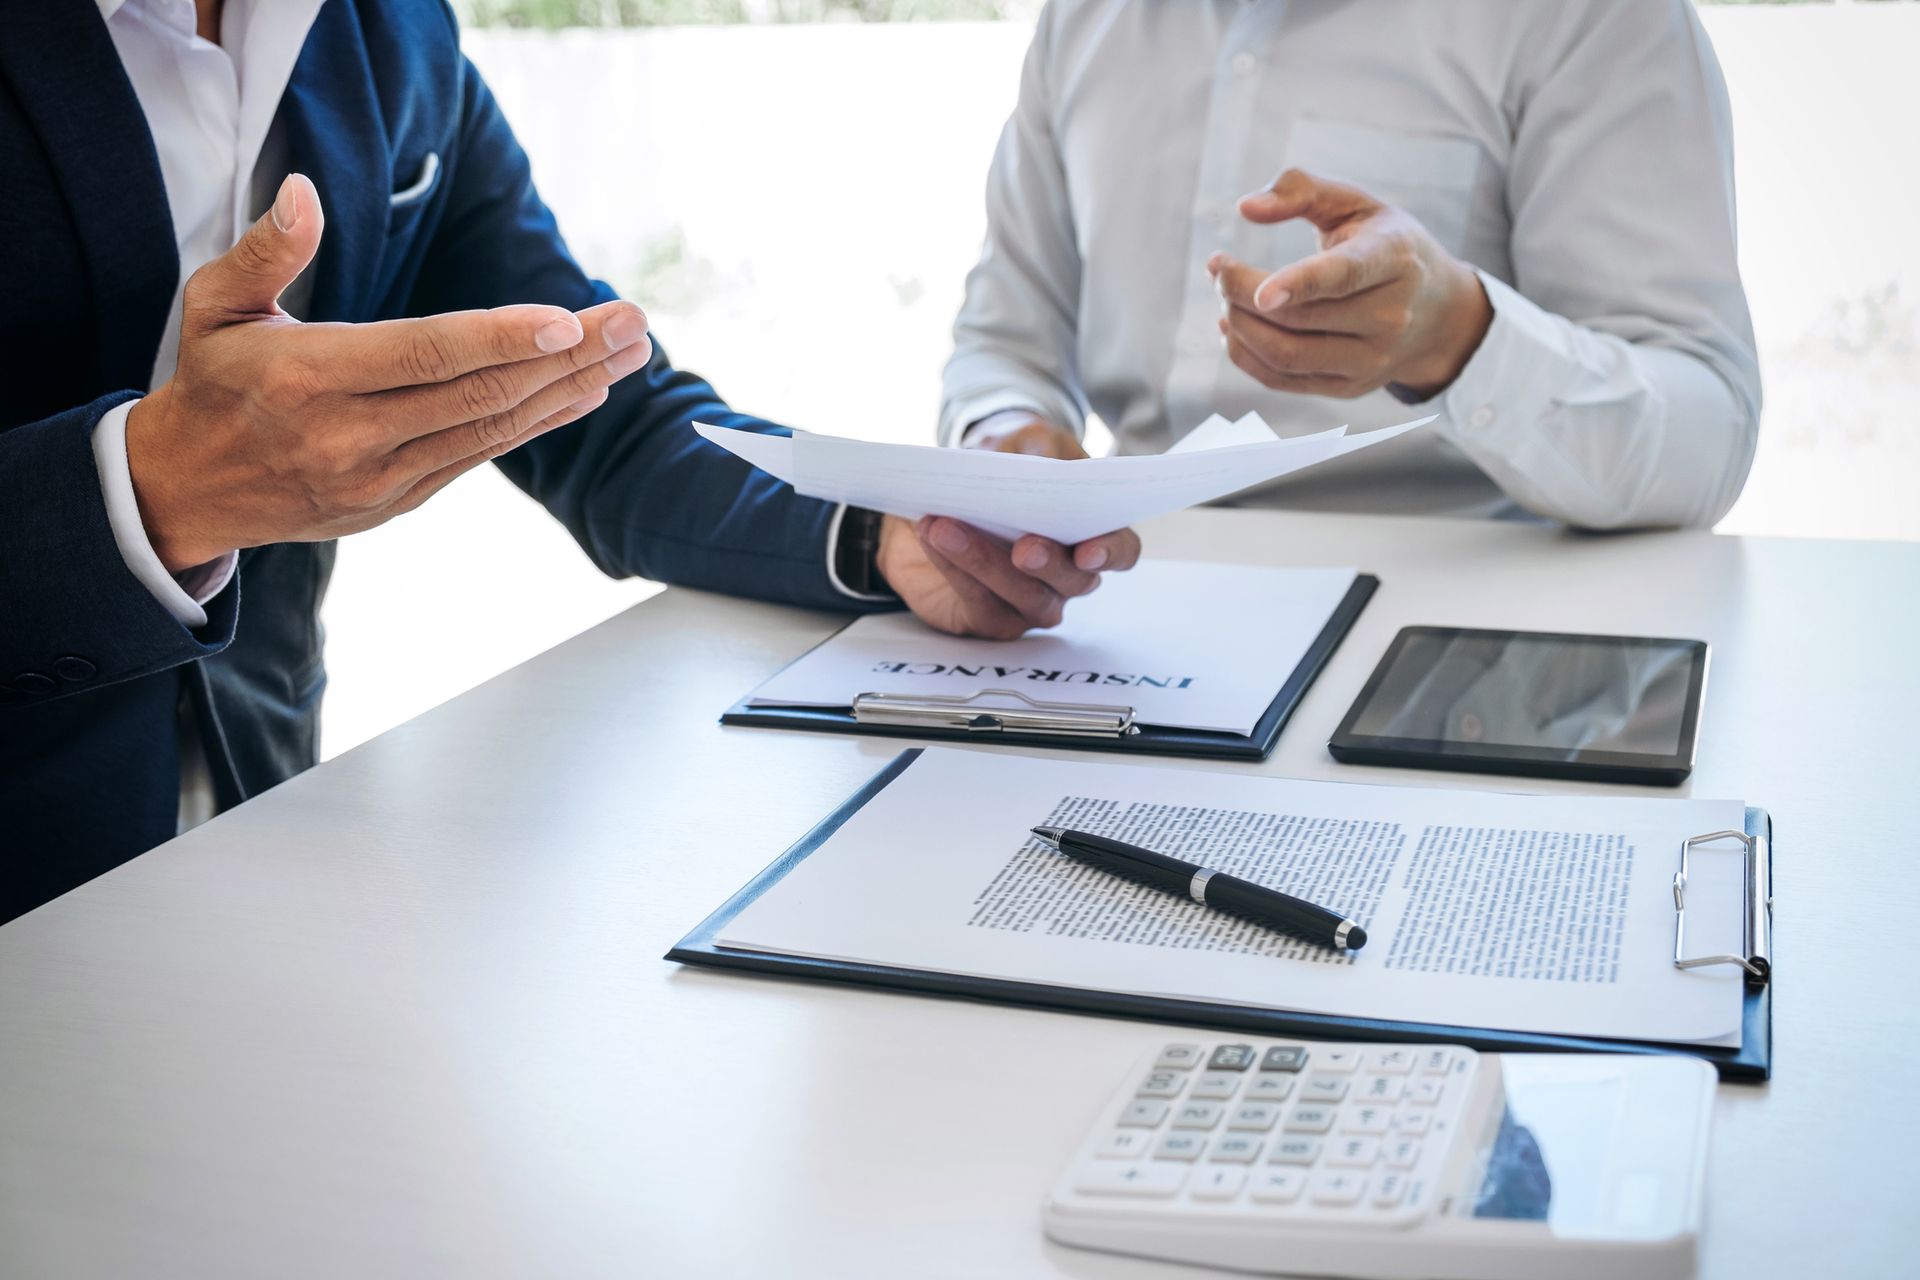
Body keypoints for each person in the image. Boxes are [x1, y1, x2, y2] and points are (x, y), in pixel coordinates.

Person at [0, 0, 1136, 923]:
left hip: (261, 839)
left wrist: (885, 531)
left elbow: (611, 420)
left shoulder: (393, 36)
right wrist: (151, 496)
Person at [933, 0, 1762, 531]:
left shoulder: (1593, 18)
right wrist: (1005, 436)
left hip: (1469, 633)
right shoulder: (1080, 21)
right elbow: (1006, 345)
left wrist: (1463, 339)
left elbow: (1707, 435)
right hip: (1121, 610)